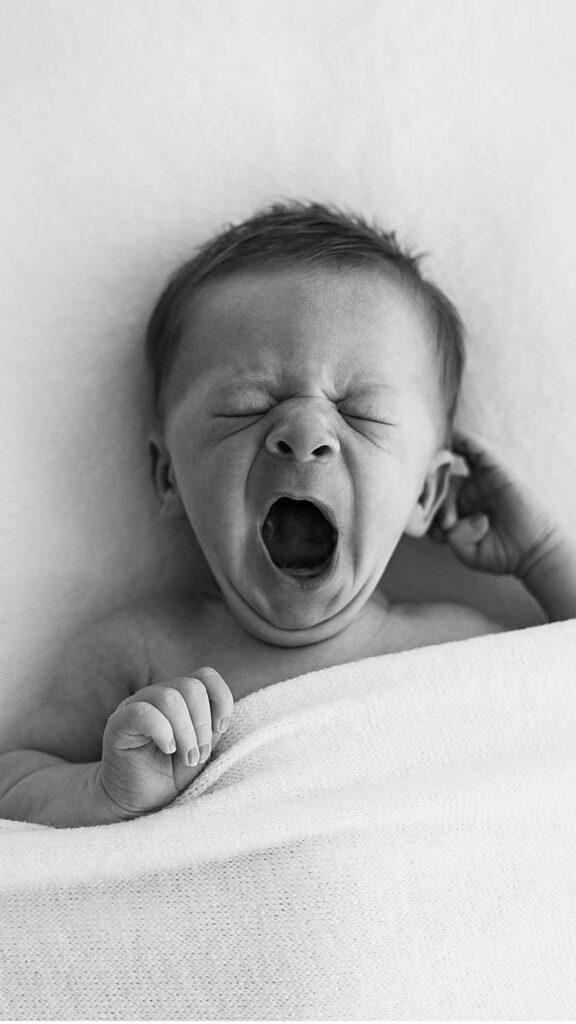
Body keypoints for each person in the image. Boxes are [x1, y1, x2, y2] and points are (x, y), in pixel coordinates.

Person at [1, 201, 574, 827]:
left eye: (361, 411)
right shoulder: (139, 654)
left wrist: (545, 557)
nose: (305, 433)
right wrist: (104, 791)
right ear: (168, 474)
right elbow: (16, 783)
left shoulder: (456, 644)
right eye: (248, 404)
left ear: (426, 495)